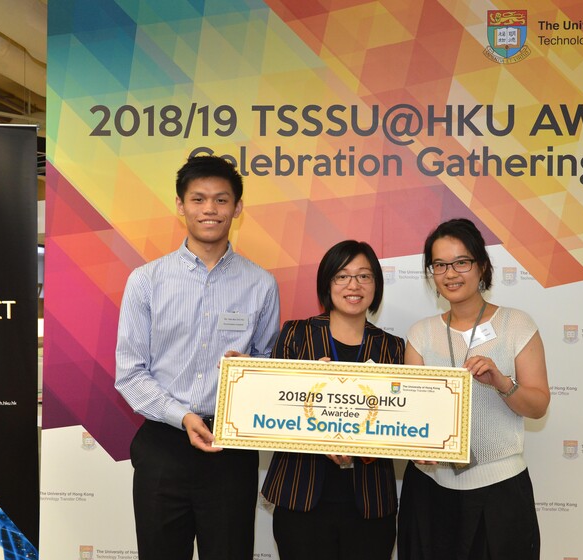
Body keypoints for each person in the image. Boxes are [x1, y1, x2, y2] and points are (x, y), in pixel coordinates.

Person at [115, 155, 280, 560]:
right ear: (180, 205)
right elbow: (130, 373)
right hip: (163, 445)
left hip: (231, 449)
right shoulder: (146, 281)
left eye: (221, 200)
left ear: (237, 208)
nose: (210, 209)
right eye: (199, 199)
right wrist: (183, 417)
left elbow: (268, 363)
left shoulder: (261, 283)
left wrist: (251, 370)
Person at [397, 218, 550, 560]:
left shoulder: (516, 324)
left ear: (481, 265)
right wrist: (416, 447)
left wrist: (502, 383)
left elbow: (539, 405)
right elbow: (413, 414)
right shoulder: (420, 334)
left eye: (461, 262)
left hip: (500, 491)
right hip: (430, 489)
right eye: (439, 265)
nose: (450, 274)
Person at [261, 240, 404, 560]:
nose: (354, 285)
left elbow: (399, 420)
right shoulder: (296, 335)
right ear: (327, 283)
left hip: (370, 503)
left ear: (376, 285)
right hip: (300, 497)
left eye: (364, 276)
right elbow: (272, 410)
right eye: (342, 276)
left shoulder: (393, 347)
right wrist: (305, 389)